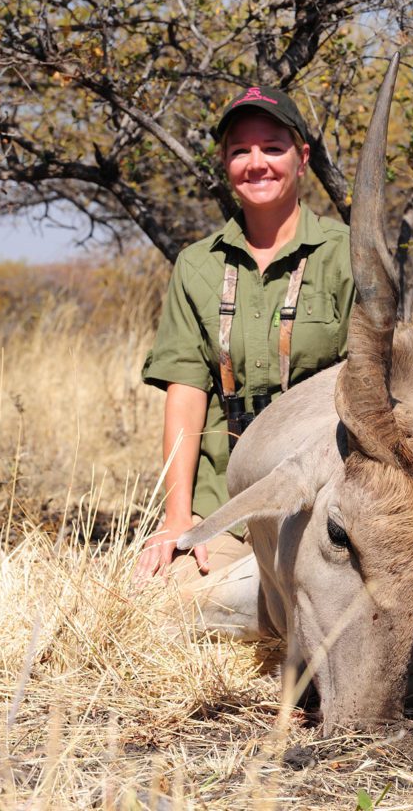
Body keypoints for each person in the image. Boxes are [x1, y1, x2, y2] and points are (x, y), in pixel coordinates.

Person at [135, 85, 354, 584]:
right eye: (240, 151)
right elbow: (186, 393)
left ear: (301, 158)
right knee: (161, 599)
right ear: (225, 163)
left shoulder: (347, 255)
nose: (257, 163)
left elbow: (370, 396)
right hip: (227, 509)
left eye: (272, 148)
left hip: (323, 504)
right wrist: (179, 520)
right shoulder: (197, 265)